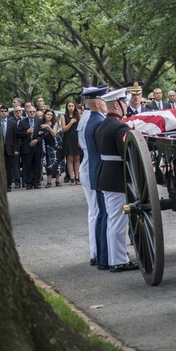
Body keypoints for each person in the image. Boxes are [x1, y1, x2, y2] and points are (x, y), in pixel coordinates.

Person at [95, 87, 139, 272]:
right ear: (117, 104)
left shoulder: (103, 124)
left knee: (114, 220)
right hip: (117, 178)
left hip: (107, 175)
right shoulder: (119, 126)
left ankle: (115, 258)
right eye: (124, 102)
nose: (126, 105)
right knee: (118, 222)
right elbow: (126, 153)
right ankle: (119, 260)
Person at [78, 85, 107, 267]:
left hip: (88, 165)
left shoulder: (86, 118)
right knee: (96, 211)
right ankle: (96, 251)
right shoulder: (92, 119)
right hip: (91, 167)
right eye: (104, 100)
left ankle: (97, 250)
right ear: (97, 101)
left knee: (94, 211)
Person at [17, 105, 44, 189]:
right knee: (27, 166)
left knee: (36, 165)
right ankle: (28, 183)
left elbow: (43, 133)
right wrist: (27, 132)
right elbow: (18, 134)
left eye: (33, 112)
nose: (32, 113)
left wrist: (37, 140)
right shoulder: (22, 122)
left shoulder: (39, 121)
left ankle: (36, 182)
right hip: (27, 147)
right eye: (30, 112)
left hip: (37, 147)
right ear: (27, 113)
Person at [60, 101, 81, 184]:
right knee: (69, 159)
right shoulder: (63, 117)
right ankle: (71, 177)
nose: (71, 107)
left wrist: (80, 140)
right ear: (67, 107)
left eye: (72, 106)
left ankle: (77, 177)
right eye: (69, 106)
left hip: (76, 139)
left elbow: (80, 129)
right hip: (68, 139)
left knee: (77, 159)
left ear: (75, 107)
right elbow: (64, 129)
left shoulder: (78, 116)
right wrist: (71, 122)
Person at [38, 109, 60, 187]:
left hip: (55, 145)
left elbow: (54, 133)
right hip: (46, 145)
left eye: (51, 115)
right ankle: (49, 182)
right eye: (48, 114)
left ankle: (57, 181)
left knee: (56, 162)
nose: (49, 116)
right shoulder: (41, 123)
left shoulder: (54, 123)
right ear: (45, 115)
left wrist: (48, 127)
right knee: (48, 163)